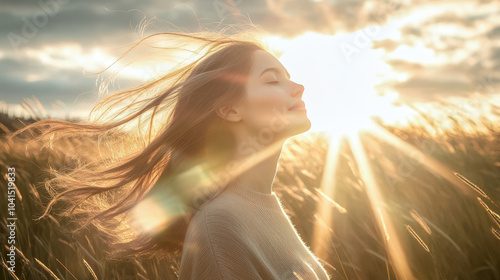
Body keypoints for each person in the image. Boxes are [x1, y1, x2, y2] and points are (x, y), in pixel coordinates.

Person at [10, 28, 331, 279]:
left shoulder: (262, 205)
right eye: (273, 80)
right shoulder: (221, 227)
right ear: (230, 110)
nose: (297, 87)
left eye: (289, 77)